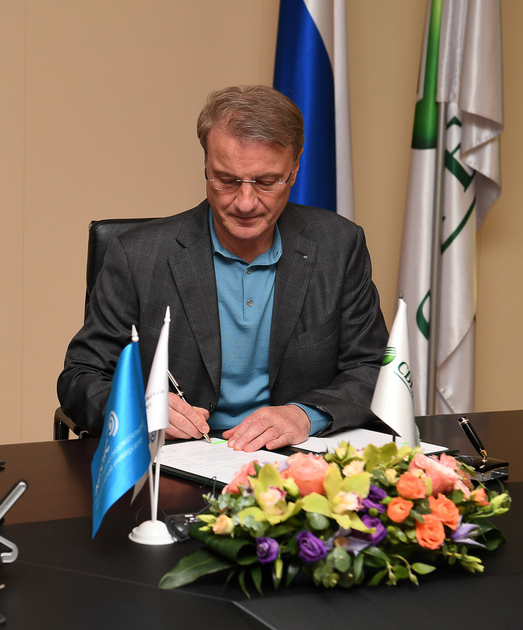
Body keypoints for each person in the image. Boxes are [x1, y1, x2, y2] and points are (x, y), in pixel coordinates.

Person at [58, 85, 389, 452]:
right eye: (227, 180)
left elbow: (374, 369)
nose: (245, 203)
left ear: (294, 169)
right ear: (206, 165)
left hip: (295, 462)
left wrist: (305, 415)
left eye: (266, 182)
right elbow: (80, 377)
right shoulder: (138, 255)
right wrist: (139, 408)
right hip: (176, 462)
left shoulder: (338, 246)